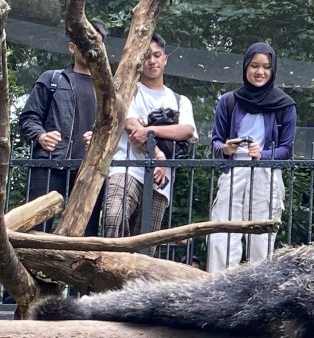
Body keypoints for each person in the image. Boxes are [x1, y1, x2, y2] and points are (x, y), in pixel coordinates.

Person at [207, 43, 296, 272]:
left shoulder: (285, 104)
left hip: (266, 173)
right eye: (254, 66)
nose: (260, 72)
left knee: (262, 238)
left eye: (266, 67)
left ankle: (258, 294)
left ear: (273, 69)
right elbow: (215, 142)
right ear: (246, 66)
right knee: (224, 233)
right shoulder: (229, 101)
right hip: (235, 169)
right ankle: (219, 289)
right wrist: (226, 148)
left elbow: (287, 149)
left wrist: (263, 154)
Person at [103, 34, 196, 236]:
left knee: (146, 242)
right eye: (146, 56)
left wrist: (150, 131)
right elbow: (131, 126)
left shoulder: (180, 101)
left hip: (160, 180)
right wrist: (158, 155)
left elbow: (187, 130)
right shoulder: (129, 91)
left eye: (157, 55)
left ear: (165, 59)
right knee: (113, 219)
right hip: (127, 168)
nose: (152, 61)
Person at [18, 23, 107, 235]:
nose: (90, 48)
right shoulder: (53, 79)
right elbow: (28, 117)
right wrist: (40, 136)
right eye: (84, 42)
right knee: (34, 228)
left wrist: (99, 139)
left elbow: (116, 128)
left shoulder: (108, 89)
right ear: (72, 47)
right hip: (49, 165)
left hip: (89, 170)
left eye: (96, 42)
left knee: (86, 235)